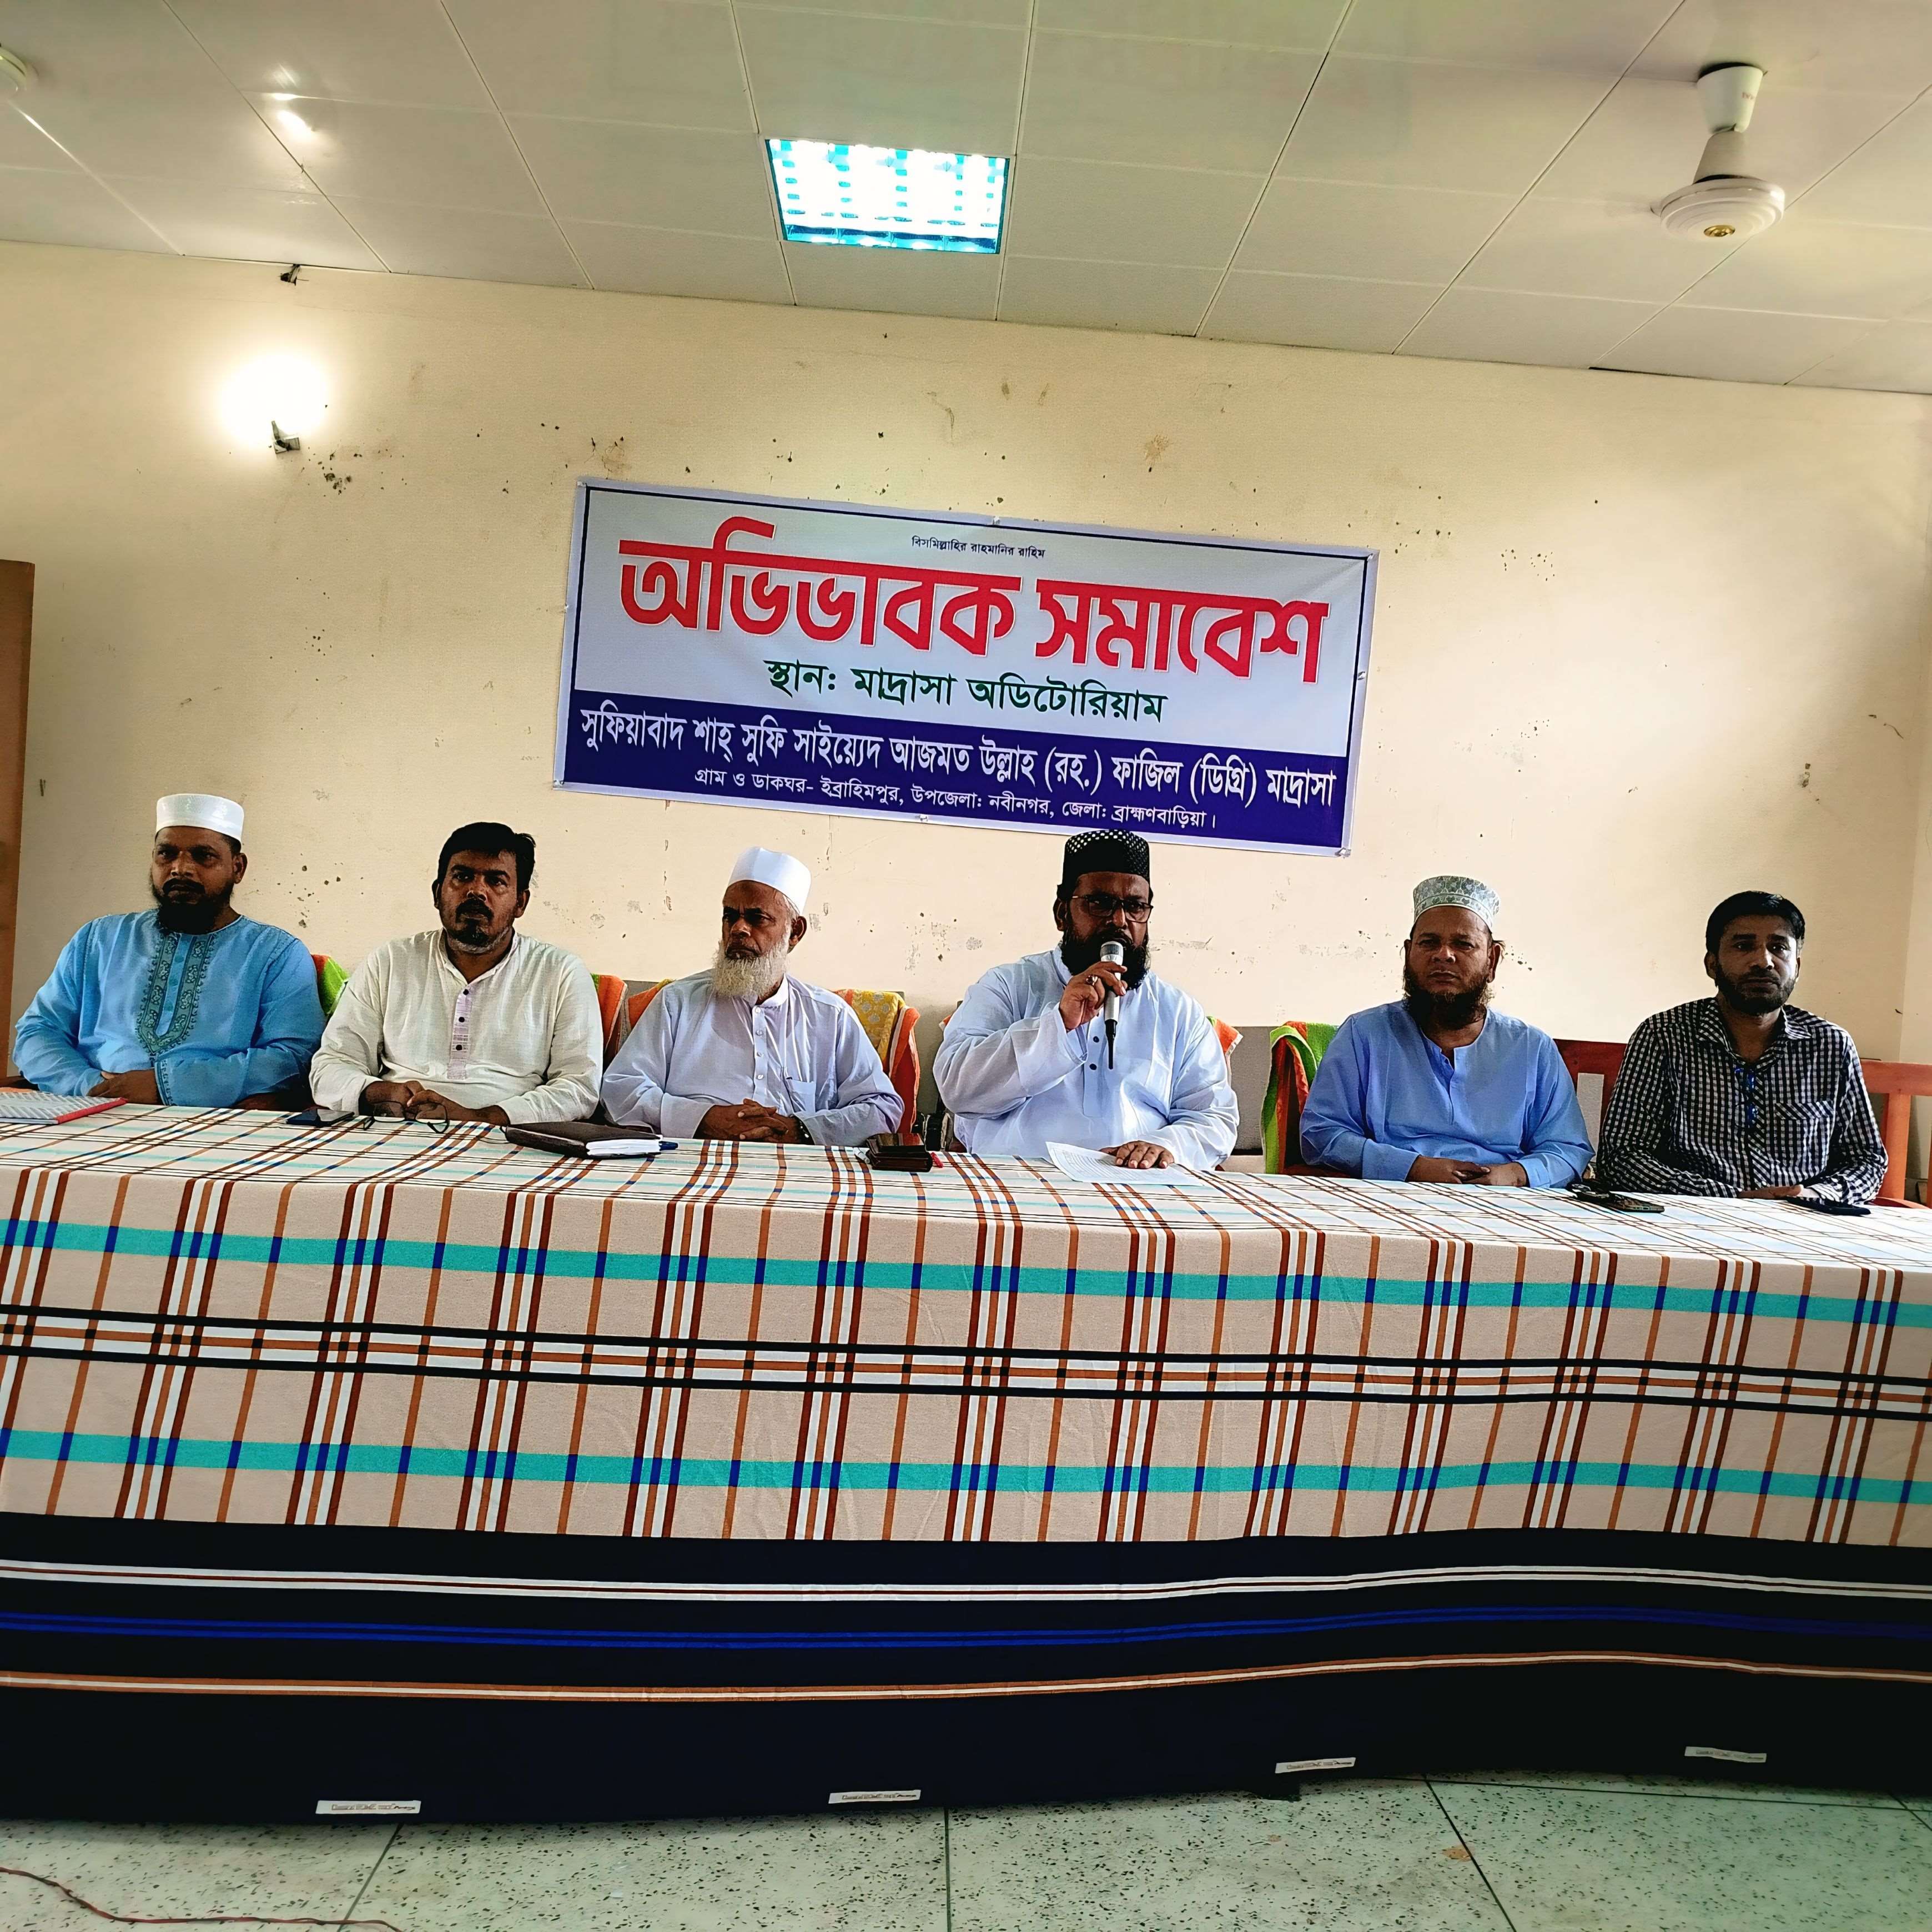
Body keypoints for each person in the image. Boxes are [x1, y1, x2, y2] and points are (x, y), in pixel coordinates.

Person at [934, 831, 1237, 1170]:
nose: (1119, 921)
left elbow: (1214, 1118)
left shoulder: (1178, 1010)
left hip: (1137, 1186)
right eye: (1100, 903)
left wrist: (1164, 1145)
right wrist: (1059, 1024)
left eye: (1135, 907)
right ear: (1062, 913)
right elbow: (957, 1088)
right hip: (1017, 1181)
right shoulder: (1008, 985)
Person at [13, 793, 323, 1108]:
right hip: (88, 1107)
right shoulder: (99, 939)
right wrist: (90, 1086)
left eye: (204, 856)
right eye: (167, 854)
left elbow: (292, 1057)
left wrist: (167, 1086)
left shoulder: (276, 954)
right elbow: (38, 1032)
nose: (181, 869)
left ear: (238, 868)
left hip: (210, 1115)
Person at [1300, 875, 1591, 1187]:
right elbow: (1321, 1133)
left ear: (1492, 960)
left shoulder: (1532, 1048)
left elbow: (1568, 1148)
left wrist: (1515, 1176)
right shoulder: (1364, 1035)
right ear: (1408, 954)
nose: (1444, 955)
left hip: (1505, 1200)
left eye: (1463, 944)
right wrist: (1411, 1168)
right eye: (1429, 943)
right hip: (1393, 1192)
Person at [1596, 890, 1884, 1203]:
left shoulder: (1829, 1046)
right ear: (1712, 964)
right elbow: (1621, 1158)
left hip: (1803, 1218)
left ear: (1797, 967)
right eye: (1744, 946)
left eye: (1779, 948)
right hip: (1696, 1215)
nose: (1764, 961)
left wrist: (1815, 1195)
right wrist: (1732, 1197)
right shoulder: (1664, 1036)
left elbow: (1866, 1160)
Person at [601, 846, 901, 1146]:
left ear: (795, 932)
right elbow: (620, 1091)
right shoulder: (676, 1003)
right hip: (691, 1162)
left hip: (799, 1167)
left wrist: (801, 1129)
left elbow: (882, 1107)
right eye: (730, 916)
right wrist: (703, 1119)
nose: (738, 929)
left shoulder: (830, 1016)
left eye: (757, 918)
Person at [308, 822, 600, 1124]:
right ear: (437, 894)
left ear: (520, 903)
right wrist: (379, 1093)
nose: (477, 891)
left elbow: (579, 1087)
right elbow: (332, 1064)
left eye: (496, 881)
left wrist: (482, 1117)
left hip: (506, 1134)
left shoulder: (560, 973)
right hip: (395, 1125)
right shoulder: (390, 962)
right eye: (462, 877)